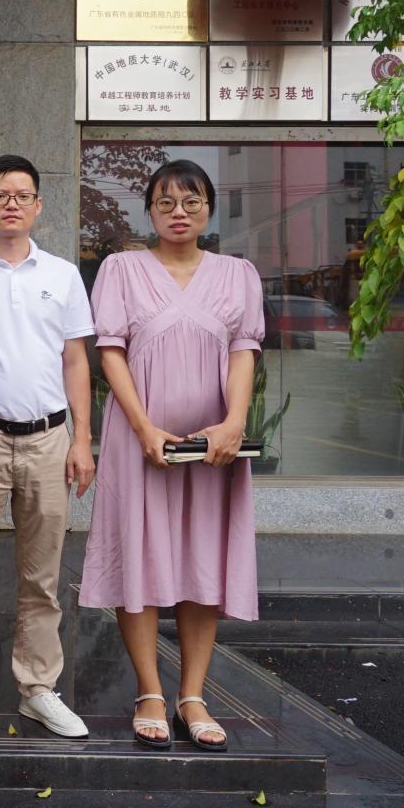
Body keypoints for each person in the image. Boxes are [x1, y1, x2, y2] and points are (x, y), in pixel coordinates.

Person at [80, 159, 262, 753]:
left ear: (209, 209)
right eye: (165, 202)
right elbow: (110, 350)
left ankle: (193, 695)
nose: (178, 212)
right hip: (141, 440)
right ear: (150, 211)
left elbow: (243, 350)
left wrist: (233, 423)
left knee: (201, 560)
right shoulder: (121, 269)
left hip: (212, 449)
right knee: (138, 556)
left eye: (191, 201)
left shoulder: (238, 274)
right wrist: (142, 427)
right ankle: (150, 693)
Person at [0, 155, 95, 741]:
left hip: (50, 438)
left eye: (22, 195)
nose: (12, 204)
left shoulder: (63, 274)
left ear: (37, 206)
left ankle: (38, 688)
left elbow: (75, 360)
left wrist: (83, 438)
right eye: (1, 195)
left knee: (42, 575)